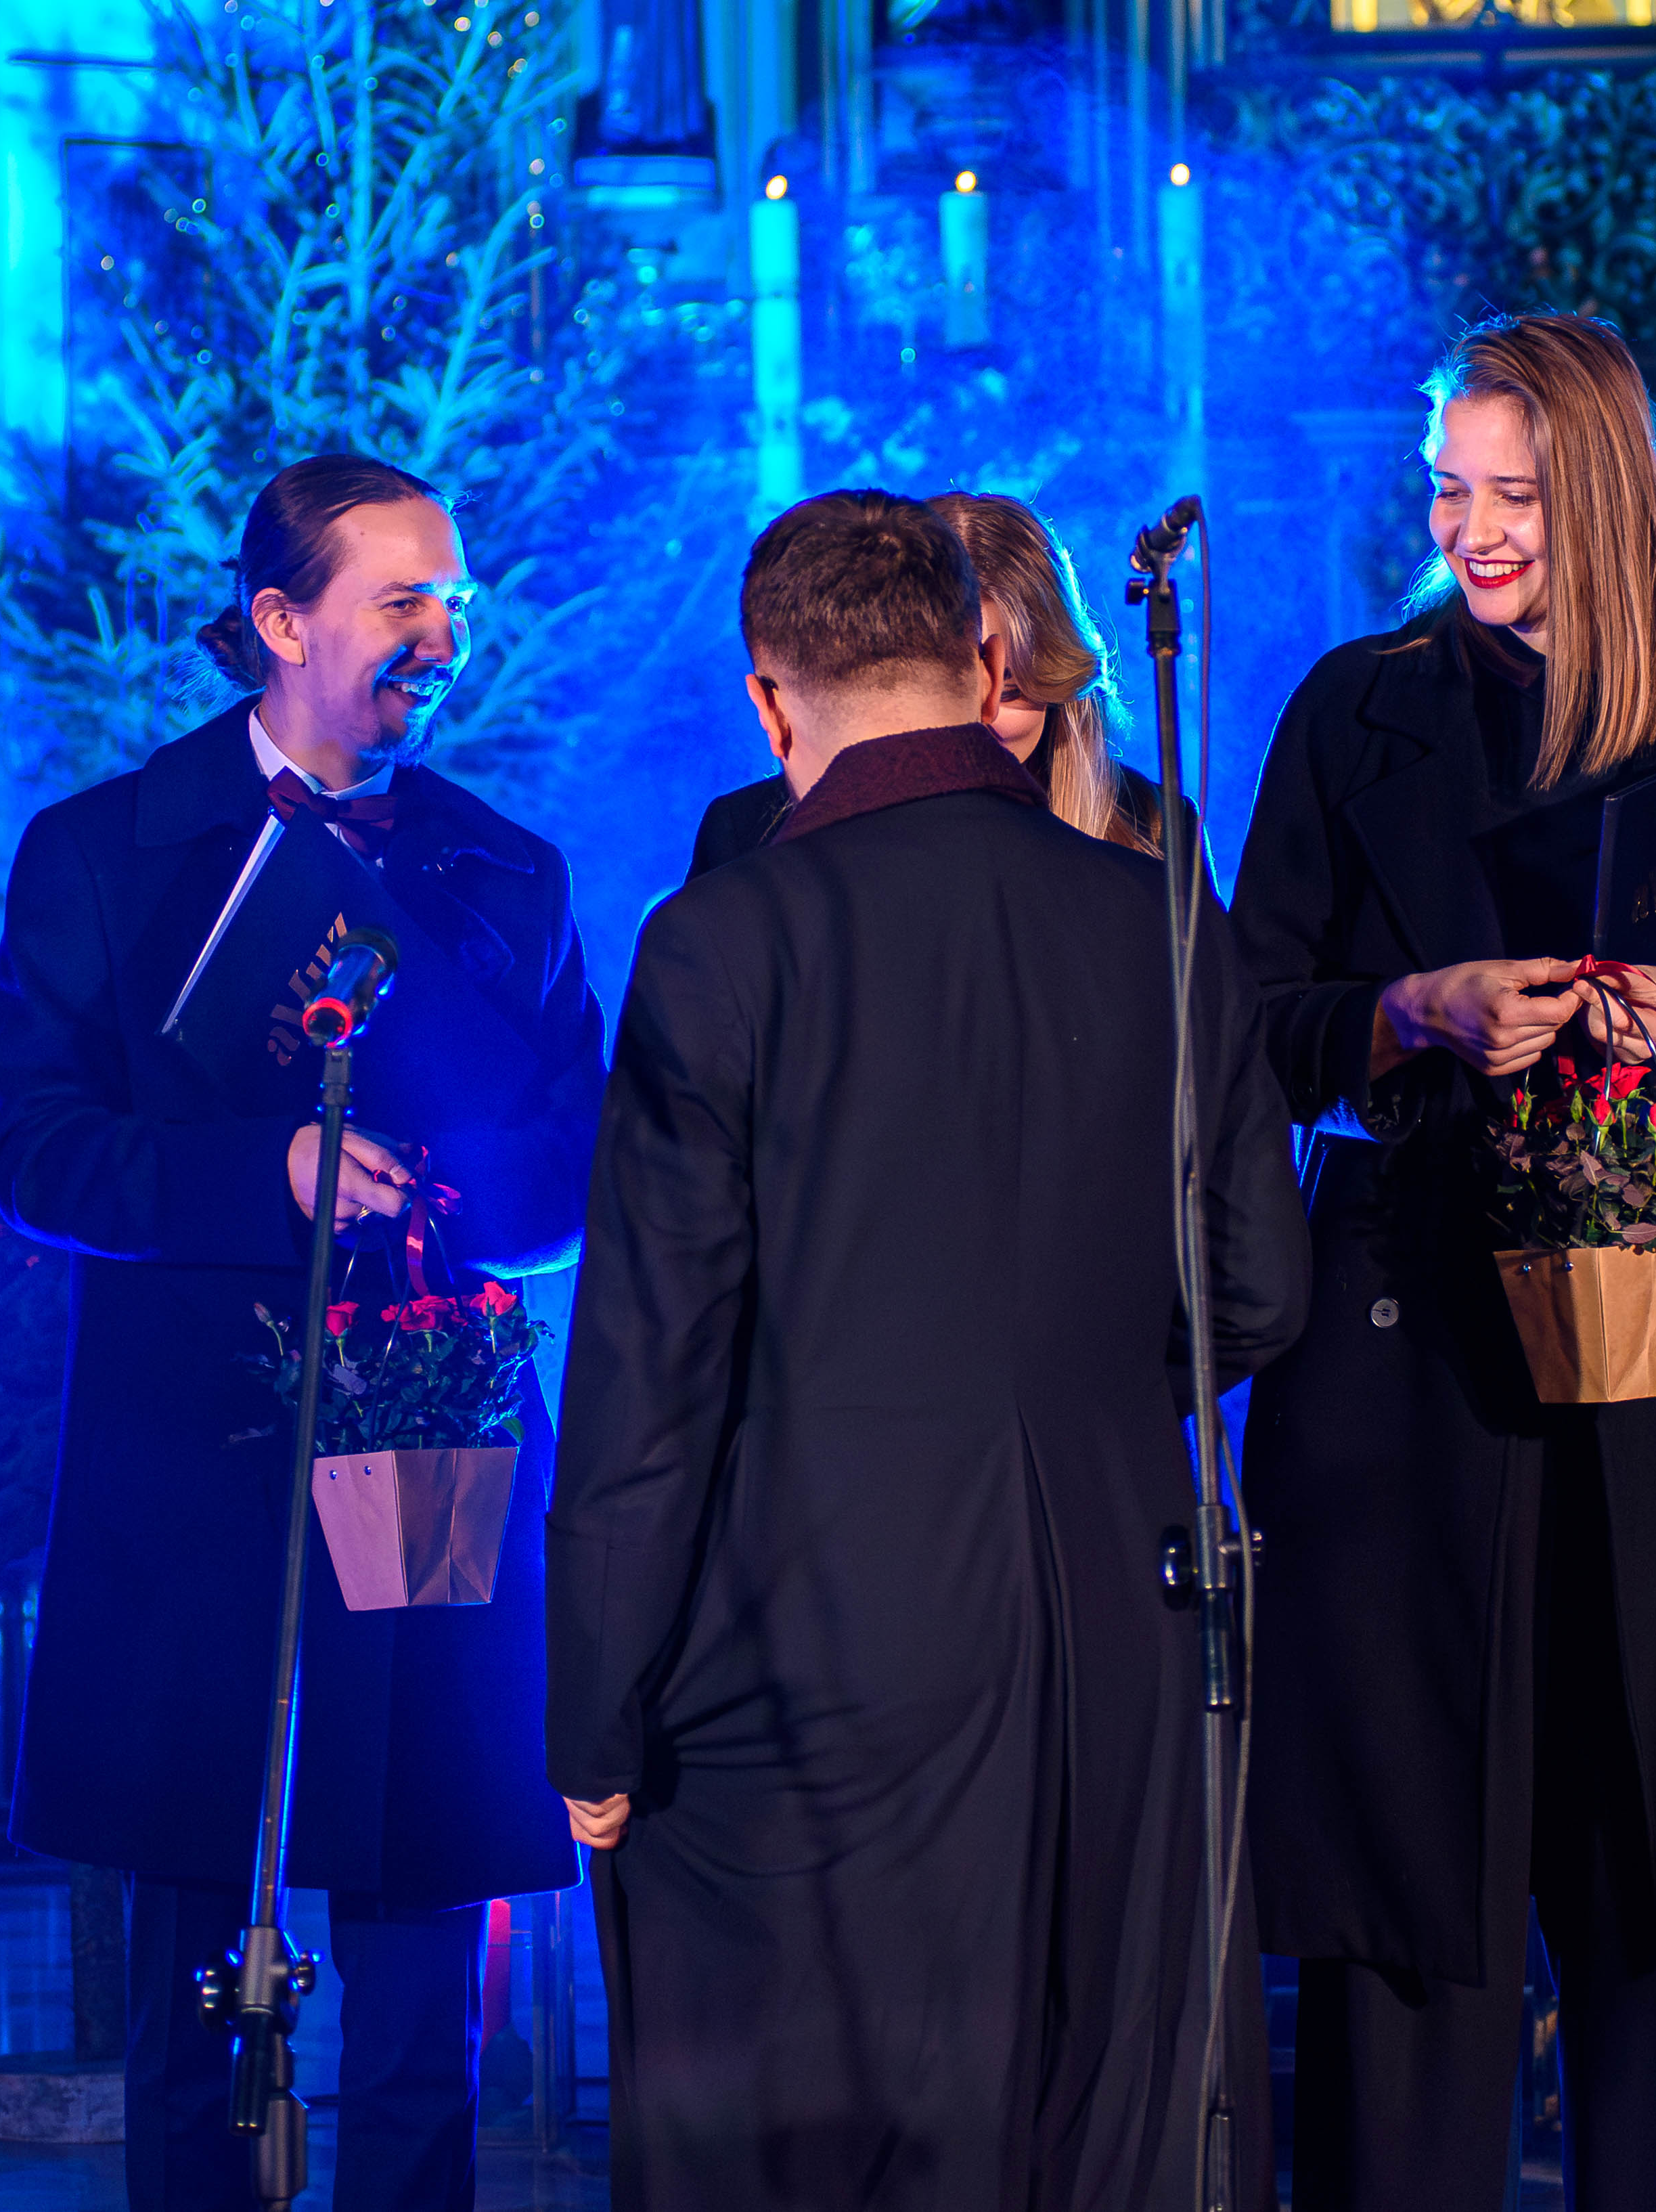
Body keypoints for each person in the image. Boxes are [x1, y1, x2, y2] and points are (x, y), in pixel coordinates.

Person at [546, 490, 1310, 2206]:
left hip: (803, 1655)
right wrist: (1083, 1389)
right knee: (1100, 2128)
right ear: (980, 655)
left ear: (769, 699)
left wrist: (594, 1710)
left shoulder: (722, 936)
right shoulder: (1155, 914)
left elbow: (650, 1373)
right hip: (1121, 1624)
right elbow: (1260, 1287)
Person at [1228, 310, 1656, 2210]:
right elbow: (1249, 1019)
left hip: (1655, 1363)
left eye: (1516, 495)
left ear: (1608, 499)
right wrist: (1407, 1009)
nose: (1473, 530)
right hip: (1406, 1359)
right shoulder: (1355, 707)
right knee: (1411, 1890)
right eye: (1449, 489)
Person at [0, 454, 603, 2211]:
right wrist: (269, 1169)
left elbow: (581, 1152)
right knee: (191, 1932)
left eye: (453, 602)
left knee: (421, 1927)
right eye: (401, 601)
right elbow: (36, 1147)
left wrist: (448, 1196)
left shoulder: (507, 869)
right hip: (191, 1467)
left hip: (430, 1436)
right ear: (277, 618)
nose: (441, 638)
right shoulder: (103, 853)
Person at [684, 489, 1175, 877]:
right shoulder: (743, 836)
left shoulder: (1156, 827)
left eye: (1009, 690)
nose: (978, 720)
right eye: (946, 685)